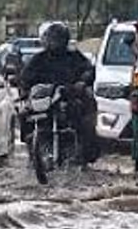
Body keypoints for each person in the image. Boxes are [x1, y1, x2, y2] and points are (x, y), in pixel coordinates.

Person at [19, 21, 98, 161]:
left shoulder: (74, 57)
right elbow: (25, 77)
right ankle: (32, 147)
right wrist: (25, 91)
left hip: (68, 97)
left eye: (58, 39)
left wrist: (82, 82)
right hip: (44, 100)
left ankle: (85, 151)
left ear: (65, 40)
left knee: (83, 112)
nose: (55, 43)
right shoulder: (39, 59)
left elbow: (88, 70)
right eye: (52, 39)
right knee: (24, 113)